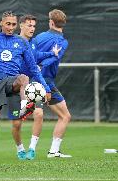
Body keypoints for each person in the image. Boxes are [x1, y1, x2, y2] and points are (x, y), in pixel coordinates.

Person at [0, 11, 51, 171]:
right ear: (1, 23)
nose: (10, 27)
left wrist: (46, 87)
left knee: (23, 77)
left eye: (13, 24)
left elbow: (33, 69)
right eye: (8, 24)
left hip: (12, 81)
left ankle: (25, 104)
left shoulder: (21, 42)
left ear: (17, 25)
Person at [18, 14, 61, 160]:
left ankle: (31, 149)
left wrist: (52, 53)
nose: (32, 29)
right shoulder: (15, 42)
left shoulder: (32, 43)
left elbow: (37, 55)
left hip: (32, 85)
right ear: (21, 25)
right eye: (29, 25)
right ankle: (20, 149)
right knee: (16, 120)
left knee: (39, 114)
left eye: (34, 26)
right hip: (16, 85)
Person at [32, 9, 72, 158]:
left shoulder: (39, 37)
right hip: (46, 81)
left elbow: (32, 55)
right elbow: (54, 58)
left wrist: (36, 66)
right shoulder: (62, 42)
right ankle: (53, 151)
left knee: (34, 113)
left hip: (32, 79)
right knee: (65, 116)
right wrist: (43, 66)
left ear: (51, 22)